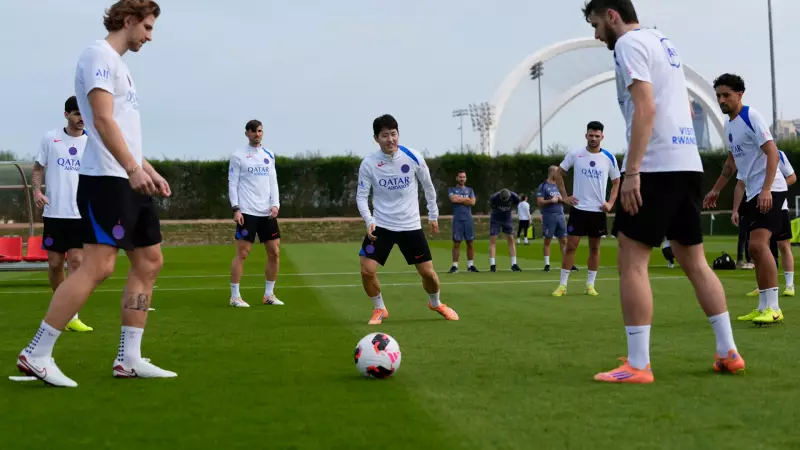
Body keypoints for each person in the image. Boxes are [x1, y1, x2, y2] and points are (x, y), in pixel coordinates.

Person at [16, 0, 177, 388]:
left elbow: (122, 128)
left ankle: (129, 358)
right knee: (98, 266)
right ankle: (36, 353)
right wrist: (132, 168)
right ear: (128, 20)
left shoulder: (121, 67)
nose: (150, 37)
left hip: (126, 177)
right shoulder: (97, 55)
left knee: (149, 261)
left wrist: (147, 170)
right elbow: (101, 119)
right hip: (106, 179)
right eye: (148, 28)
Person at [583, 0, 743, 384]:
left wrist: (633, 170)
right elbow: (683, 106)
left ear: (612, 15)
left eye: (595, 24)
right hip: (687, 163)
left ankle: (638, 365)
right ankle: (728, 352)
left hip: (655, 166)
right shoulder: (662, 41)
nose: (596, 34)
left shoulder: (627, 45)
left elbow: (646, 108)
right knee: (695, 262)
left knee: (631, 261)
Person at [356, 114, 459, 325]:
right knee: (367, 270)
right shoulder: (369, 163)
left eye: (393, 134)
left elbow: (428, 187)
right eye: (385, 135)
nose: (390, 139)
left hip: (410, 225)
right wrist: (369, 220)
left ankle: (436, 303)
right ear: (376, 138)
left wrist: (433, 215)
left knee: (428, 273)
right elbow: (361, 196)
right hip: (382, 225)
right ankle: (379, 309)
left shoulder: (413, 157)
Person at [705, 73, 788, 326]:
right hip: (753, 191)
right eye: (718, 95)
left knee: (759, 244)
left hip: (770, 189)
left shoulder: (751, 116)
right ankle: (762, 305)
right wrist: (716, 189)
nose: (721, 100)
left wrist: (765, 189)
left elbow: (772, 152)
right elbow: (731, 163)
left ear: (739, 95)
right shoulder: (730, 125)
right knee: (754, 248)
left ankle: (773, 308)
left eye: (726, 95)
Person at [31, 96, 93, 332]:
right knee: (55, 263)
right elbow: (38, 168)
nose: (81, 119)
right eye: (76, 114)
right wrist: (37, 192)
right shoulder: (51, 138)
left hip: (81, 214)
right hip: (55, 212)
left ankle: (71, 315)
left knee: (76, 262)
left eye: (84, 114)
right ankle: (60, 308)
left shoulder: (92, 142)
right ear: (66, 114)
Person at [552, 121, 620, 297]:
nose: (594, 138)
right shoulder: (576, 154)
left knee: (595, 248)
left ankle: (590, 285)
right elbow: (559, 173)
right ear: (586, 135)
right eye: (591, 135)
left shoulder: (609, 157)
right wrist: (565, 197)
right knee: (571, 247)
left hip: (598, 210)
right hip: (579, 209)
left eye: (597, 136)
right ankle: (562, 285)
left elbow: (616, 182)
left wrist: (610, 203)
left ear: (602, 137)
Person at [227, 120, 284, 308]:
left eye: (259, 131)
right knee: (243, 253)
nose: (257, 134)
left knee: (274, 252)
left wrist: (275, 204)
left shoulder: (269, 155)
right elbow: (232, 183)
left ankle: (269, 294)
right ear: (247, 134)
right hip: (247, 212)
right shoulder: (238, 156)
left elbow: (273, 182)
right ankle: (235, 297)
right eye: (253, 132)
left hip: (267, 213)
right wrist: (236, 208)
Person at [736, 149, 796, 301]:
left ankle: (789, 286)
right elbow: (740, 182)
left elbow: (792, 177)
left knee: (783, 245)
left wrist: (769, 187)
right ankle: (764, 287)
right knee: (761, 246)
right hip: (757, 205)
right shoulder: (749, 155)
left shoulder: (778, 154)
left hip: (778, 205)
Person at [536, 166, 567, 272]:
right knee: (547, 240)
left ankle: (567, 263)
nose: (559, 174)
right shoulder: (543, 186)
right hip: (549, 216)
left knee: (563, 240)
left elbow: (566, 199)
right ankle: (547, 264)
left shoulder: (560, 185)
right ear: (552, 173)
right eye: (558, 172)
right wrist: (550, 201)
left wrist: (562, 200)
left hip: (560, 215)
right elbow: (539, 201)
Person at [448, 170, 479, 273]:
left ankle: (471, 265)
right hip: (458, 219)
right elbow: (453, 200)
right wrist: (467, 200)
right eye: (460, 177)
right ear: (457, 178)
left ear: (466, 179)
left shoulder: (470, 190)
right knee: (456, 243)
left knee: (470, 242)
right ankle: (455, 266)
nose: (462, 179)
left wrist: (461, 199)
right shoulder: (452, 189)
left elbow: (473, 202)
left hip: (468, 219)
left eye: (464, 177)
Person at [488, 189, 522, 272]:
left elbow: (517, 204)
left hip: (507, 219)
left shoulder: (515, 197)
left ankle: (514, 264)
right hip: (496, 219)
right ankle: (492, 265)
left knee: (511, 239)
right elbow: (491, 206)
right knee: (493, 240)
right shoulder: (494, 197)